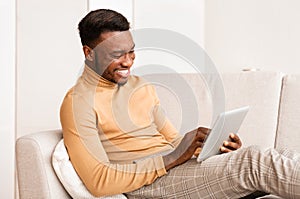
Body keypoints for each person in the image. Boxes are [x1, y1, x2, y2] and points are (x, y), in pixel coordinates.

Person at [60, 9, 300, 199]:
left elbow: (174, 142)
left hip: (174, 169)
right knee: (253, 162)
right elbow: (98, 180)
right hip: (145, 184)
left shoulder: (139, 86)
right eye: (116, 55)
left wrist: (215, 148)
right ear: (89, 53)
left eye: (131, 52)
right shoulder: (78, 102)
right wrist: (173, 157)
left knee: (283, 154)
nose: (128, 62)